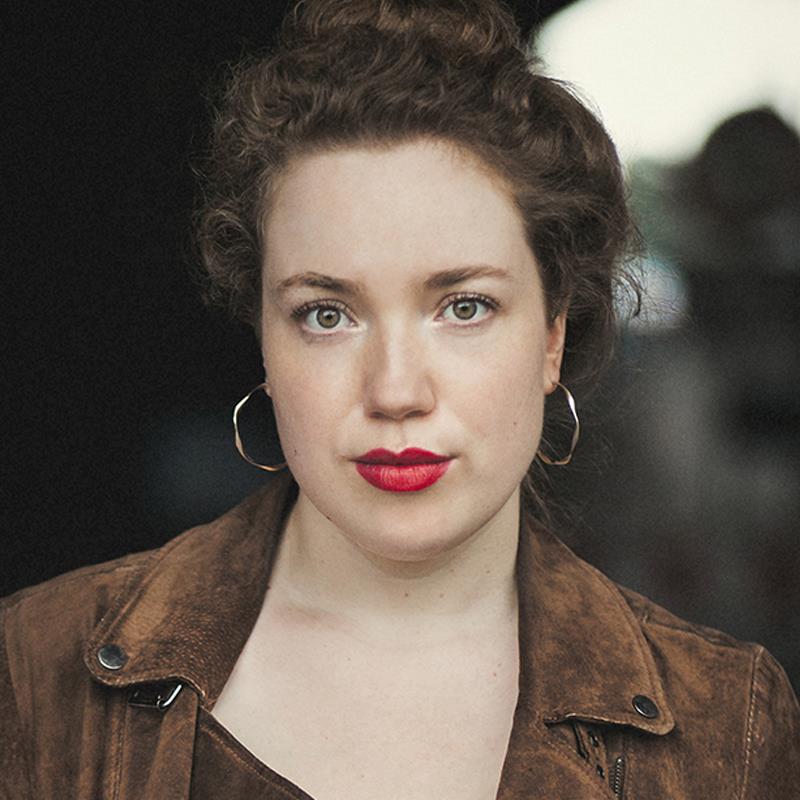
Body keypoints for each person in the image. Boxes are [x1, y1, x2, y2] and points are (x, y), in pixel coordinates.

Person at [1, 1, 798, 798]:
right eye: (326, 315)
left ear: (553, 335)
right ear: (263, 341)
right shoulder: (34, 672)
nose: (395, 392)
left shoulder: (731, 725)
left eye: (465, 307)